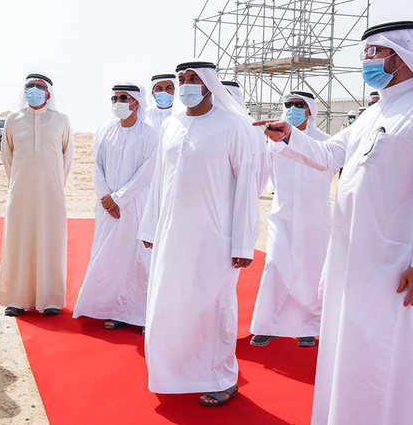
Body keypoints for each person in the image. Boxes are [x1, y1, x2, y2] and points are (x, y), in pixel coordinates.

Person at [255, 21, 413, 425]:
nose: (366, 61)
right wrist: (288, 136)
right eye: (364, 53)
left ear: (401, 56)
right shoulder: (373, 113)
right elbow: (328, 155)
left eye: (373, 53)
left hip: (395, 263)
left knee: (382, 356)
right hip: (349, 259)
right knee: (347, 351)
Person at [138, 59, 259, 407]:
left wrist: (243, 242)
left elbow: (246, 186)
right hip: (171, 235)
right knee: (170, 304)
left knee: (214, 307)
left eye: (194, 78)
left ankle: (223, 378)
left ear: (208, 84)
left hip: (214, 237)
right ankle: (175, 374)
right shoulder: (171, 125)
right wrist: (150, 225)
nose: (187, 84)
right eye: (182, 78)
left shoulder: (233, 126)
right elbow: (160, 180)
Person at [249, 91, 333, 348]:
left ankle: (308, 326)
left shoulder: (325, 142)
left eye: (299, 104)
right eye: (288, 104)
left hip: (314, 218)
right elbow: (271, 176)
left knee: (310, 270)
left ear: (310, 110)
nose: (293, 108)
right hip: (282, 215)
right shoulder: (274, 142)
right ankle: (269, 325)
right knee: (275, 264)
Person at [73, 82, 157, 334]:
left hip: (134, 205)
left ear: (136, 102)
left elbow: (146, 172)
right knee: (109, 258)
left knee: (137, 260)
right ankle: (111, 310)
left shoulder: (150, 134)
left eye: (123, 98)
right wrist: (106, 198)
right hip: (106, 208)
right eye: (114, 98)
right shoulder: (104, 131)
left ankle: (141, 315)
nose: (118, 102)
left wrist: (118, 199)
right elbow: (97, 167)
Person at [0, 73, 74, 317]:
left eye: (39, 86)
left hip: (51, 193)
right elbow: (7, 156)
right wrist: (19, 182)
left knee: (50, 242)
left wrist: (54, 183)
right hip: (20, 193)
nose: (34, 89)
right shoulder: (13, 119)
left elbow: (67, 156)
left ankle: (50, 299)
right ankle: (16, 299)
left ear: (48, 93)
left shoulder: (60, 120)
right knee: (19, 242)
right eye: (29, 85)